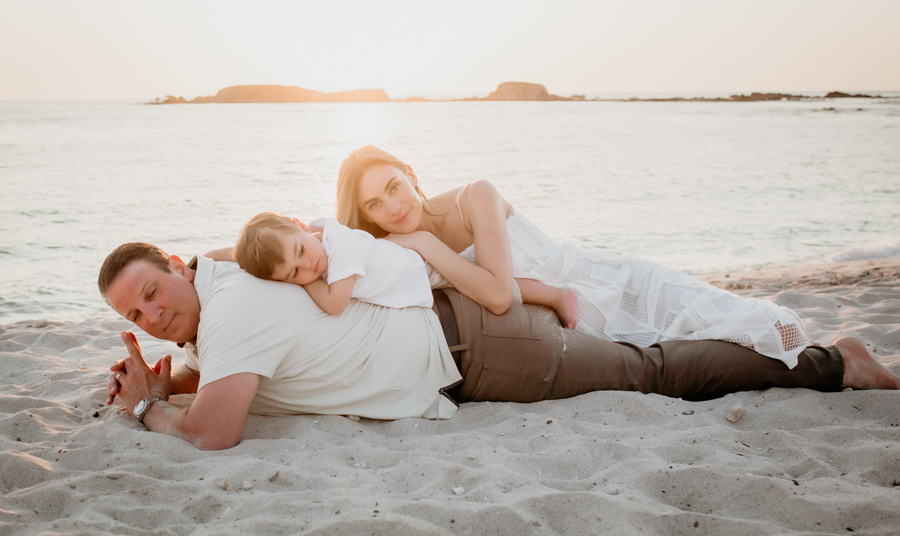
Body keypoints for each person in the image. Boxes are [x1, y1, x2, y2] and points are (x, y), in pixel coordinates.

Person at [100, 241, 899, 451]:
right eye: (137, 314)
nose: (154, 313)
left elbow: (216, 433)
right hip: (467, 337)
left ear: (176, 265)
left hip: (483, 351)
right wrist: (170, 385)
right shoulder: (231, 288)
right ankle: (823, 358)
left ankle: (834, 364)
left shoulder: (233, 310)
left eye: (153, 291)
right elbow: (263, 370)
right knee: (638, 352)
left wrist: (146, 409)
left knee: (653, 374)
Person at [336, 146, 808, 368]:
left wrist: (426, 243)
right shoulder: (396, 252)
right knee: (706, 356)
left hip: (613, 282)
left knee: (759, 327)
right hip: (569, 321)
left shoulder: (474, 196)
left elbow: (498, 294)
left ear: (411, 173)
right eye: (374, 205)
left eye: (394, 186)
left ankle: (836, 358)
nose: (393, 208)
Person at [214, 211, 434, 314]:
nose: (307, 265)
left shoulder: (340, 245)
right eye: (294, 272)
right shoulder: (306, 240)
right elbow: (234, 254)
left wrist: (303, 282)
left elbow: (335, 305)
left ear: (301, 225)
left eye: (300, 250)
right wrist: (208, 258)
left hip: (421, 269)